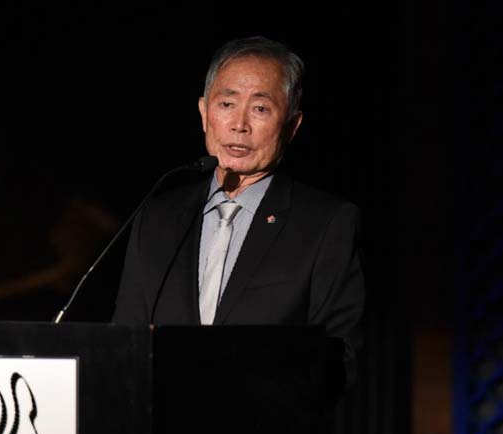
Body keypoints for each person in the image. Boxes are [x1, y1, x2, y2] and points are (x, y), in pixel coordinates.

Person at [112, 35, 364, 387]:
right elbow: (122, 342)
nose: (239, 124)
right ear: (204, 113)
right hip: (161, 433)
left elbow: (341, 357)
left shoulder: (325, 223)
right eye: (227, 104)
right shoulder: (156, 218)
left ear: (292, 125)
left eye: (260, 109)